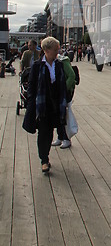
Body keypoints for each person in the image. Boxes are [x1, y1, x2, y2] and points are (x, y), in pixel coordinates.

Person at [22, 37, 68, 173]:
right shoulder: (37, 66)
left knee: (50, 132)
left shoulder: (59, 65)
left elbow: (63, 85)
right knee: (43, 132)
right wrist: (31, 105)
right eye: (55, 50)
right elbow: (31, 88)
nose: (57, 52)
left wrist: (65, 101)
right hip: (42, 105)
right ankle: (44, 160)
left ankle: (46, 156)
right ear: (46, 50)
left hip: (56, 105)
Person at [51, 49, 76, 149]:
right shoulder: (50, 61)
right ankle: (60, 136)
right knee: (57, 114)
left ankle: (66, 138)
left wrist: (64, 89)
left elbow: (71, 75)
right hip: (55, 92)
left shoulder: (63, 61)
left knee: (63, 115)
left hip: (63, 92)